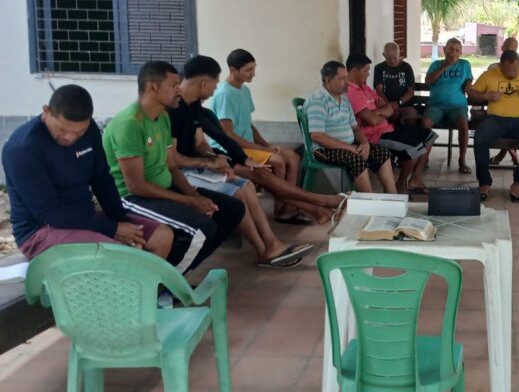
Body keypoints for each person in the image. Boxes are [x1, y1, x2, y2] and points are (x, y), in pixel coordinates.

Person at [170, 56, 315, 268]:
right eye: (214, 83)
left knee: (245, 186)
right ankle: (265, 249)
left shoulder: (194, 107)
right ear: (203, 83)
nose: (215, 89)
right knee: (238, 192)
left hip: (195, 167)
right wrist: (212, 163)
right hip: (181, 174)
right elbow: (173, 159)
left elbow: (209, 141)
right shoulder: (172, 109)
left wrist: (220, 160)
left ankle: (272, 245)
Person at [103, 62, 245, 274]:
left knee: (232, 209)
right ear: (152, 87)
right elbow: (135, 186)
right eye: (173, 85)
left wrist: (194, 196)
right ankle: (166, 287)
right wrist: (189, 201)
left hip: (164, 190)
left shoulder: (162, 117)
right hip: (132, 198)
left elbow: (171, 165)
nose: (179, 89)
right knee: (201, 229)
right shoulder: (130, 123)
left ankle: (174, 278)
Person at [2, 86, 173, 260]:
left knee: (162, 236)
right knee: (122, 254)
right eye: (62, 130)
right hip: (41, 230)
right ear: (46, 111)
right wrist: (112, 229)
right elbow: (49, 212)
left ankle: (149, 287)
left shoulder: (90, 131)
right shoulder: (23, 149)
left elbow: (102, 180)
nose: (70, 138)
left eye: (79, 132)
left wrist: (121, 222)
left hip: (84, 216)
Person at [211, 48, 316, 223]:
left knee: (292, 157)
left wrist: (266, 144)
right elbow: (228, 135)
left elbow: (249, 125)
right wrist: (260, 148)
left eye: (254, 68)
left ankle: (287, 208)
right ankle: (281, 210)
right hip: (232, 150)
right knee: (278, 160)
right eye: (248, 70)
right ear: (232, 69)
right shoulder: (224, 94)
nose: (253, 74)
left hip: (249, 145)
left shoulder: (244, 91)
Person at [345, 53, 437, 193]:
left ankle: (415, 178)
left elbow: (389, 108)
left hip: (388, 127)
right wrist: (380, 112)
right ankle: (401, 183)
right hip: (375, 135)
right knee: (416, 148)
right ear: (353, 71)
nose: (368, 74)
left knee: (430, 136)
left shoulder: (364, 88)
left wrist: (378, 112)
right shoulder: (351, 92)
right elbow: (372, 120)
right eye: (365, 71)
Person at [305, 61, 398, 194]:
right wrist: (350, 148)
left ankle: (392, 198)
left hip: (348, 145)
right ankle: (369, 204)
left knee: (382, 153)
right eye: (342, 79)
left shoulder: (343, 99)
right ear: (328, 80)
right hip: (324, 149)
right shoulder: (318, 101)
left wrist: (365, 143)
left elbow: (355, 127)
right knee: (356, 159)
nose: (346, 82)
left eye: (346, 78)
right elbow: (317, 136)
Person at [469, 50, 519, 202]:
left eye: (515, 69)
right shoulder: (490, 74)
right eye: (508, 70)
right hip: (496, 119)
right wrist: (486, 96)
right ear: (501, 65)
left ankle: (518, 182)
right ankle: (484, 182)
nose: (513, 73)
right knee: (479, 137)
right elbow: (472, 93)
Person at [422, 37, 474, 174]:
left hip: (457, 106)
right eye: (451, 49)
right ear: (444, 50)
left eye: (457, 50)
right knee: (426, 122)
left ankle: (462, 160)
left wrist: (468, 82)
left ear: (461, 52)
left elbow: (469, 77)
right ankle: (424, 158)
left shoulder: (465, 64)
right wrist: (446, 65)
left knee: (464, 124)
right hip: (436, 105)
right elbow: (428, 81)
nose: (453, 53)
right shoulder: (436, 64)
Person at [489, 36, 519, 166]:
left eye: (514, 49)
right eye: (508, 48)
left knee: (517, 124)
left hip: (515, 108)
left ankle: (503, 154)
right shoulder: (492, 67)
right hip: (496, 107)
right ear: (502, 48)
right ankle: (512, 153)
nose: (511, 51)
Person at [373, 41, 418, 126]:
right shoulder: (379, 68)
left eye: (395, 58)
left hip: (405, 105)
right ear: (384, 55)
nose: (393, 61)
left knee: (411, 120)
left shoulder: (406, 67)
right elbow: (379, 90)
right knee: (381, 121)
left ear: (399, 54)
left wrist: (398, 103)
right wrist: (388, 106)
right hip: (385, 104)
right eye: (389, 59)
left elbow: (410, 91)